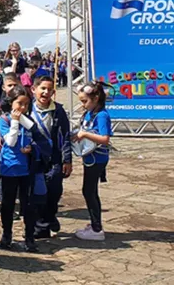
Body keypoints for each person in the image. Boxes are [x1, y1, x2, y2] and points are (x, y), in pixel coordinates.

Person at [0, 85, 39, 253]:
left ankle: (29, 236)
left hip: (26, 169)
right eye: (19, 103)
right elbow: (11, 141)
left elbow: (36, 137)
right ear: (11, 103)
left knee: (28, 204)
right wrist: (15, 121)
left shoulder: (28, 121)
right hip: (9, 168)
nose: (22, 108)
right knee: (7, 204)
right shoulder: (5, 120)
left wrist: (31, 148)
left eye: (26, 104)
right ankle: (7, 234)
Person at [31, 76, 73, 238]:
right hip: (35, 159)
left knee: (54, 191)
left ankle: (50, 216)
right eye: (42, 88)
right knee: (38, 194)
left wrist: (67, 160)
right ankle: (41, 226)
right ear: (33, 90)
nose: (45, 92)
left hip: (55, 158)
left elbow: (66, 136)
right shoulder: (28, 109)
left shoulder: (59, 111)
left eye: (49, 90)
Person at [75, 82, 112, 241]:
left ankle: (97, 229)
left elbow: (104, 139)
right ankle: (94, 224)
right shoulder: (89, 113)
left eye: (85, 101)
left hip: (97, 159)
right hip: (89, 157)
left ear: (96, 98)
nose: (82, 105)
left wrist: (84, 135)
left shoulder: (102, 115)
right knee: (89, 191)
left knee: (89, 191)